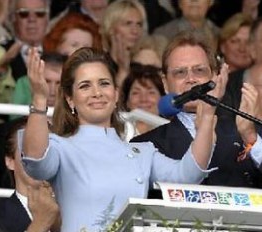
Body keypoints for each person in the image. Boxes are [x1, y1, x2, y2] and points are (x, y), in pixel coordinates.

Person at [18, 46, 225, 231]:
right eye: (85, 86)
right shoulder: (61, 147)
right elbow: (36, 162)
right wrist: (39, 98)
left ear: (116, 95)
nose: (97, 92)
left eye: (104, 83)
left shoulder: (142, 152)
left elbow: (188, 175)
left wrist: (206, 118)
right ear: (70, 99)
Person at [131, 30, 262, 192]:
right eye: (180, 72)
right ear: (165, 83)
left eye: (199, 70)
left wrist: (251, 138)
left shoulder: (247, 130)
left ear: (215, 76)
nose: (191, 79)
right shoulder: (146, 144)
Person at [0, 117, 61, 232]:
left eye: (46, 151)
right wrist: (40, 224)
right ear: (10, 161)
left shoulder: (77, 210)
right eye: (29, 150)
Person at [0, 156, 61, 232]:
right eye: (29, 154)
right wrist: (40, 224)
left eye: (49, 153)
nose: (40, 161)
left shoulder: (70, 210)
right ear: (10, 160)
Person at [100, 0, 147, 88]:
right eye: (128, 23)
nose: (135, 31)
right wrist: (123, 71)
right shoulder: (99, 66)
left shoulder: (141, 69)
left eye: (139, 24)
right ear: (110, 28)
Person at [120, 63, 165, 141]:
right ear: (127, 102)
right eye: (136, 93)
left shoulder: (172, 135)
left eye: (151, 92)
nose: (143, 99)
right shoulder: (118, 134)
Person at [153, 0, 219, 49]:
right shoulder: (162, 34)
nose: (194, 1)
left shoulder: (221, 36)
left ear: (211, 1)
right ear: (179, 3)